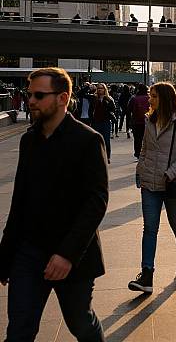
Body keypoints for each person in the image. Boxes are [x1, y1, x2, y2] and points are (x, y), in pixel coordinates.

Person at [0, 67, 108, 341]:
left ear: (62, 98)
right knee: (19, 330)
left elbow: (96, 202)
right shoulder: (29, 140)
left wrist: (67, 255)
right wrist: (5, 255)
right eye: (29, 94)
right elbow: (20, 200)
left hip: (72, 255)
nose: (31, 101)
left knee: (80, 323)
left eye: (39, 95)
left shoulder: (88, 140)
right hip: (28, 253)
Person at [128, 83, 176, 294]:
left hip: (172, 183)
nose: (150, 100)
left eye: (154, 96)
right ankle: (146, 274)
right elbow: (145, 149)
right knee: (150, 228)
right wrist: (140, 170)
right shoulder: (150, 120)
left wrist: (171, 172)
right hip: (150, 182)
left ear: (165, 98)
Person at [89, 83, 116, 164]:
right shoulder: (94, 98)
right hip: (96, 122)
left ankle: (107, 157)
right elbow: (90, 110)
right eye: (99, 88)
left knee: (106, 141)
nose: (100, 90)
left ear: (105, 89)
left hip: (105, 122)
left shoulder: (108, 99)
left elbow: (113, 110)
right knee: (96, 141)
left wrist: (108, 108)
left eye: (102, 88)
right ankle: (97, 157)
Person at [127, 84, 150, 159]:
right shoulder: (149, 98)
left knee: (137, 138)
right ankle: (146, 153)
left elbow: (129, 110)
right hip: (147, 121)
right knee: (147, 138)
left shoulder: (134, 98)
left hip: (136, 121)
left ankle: (137, 153)